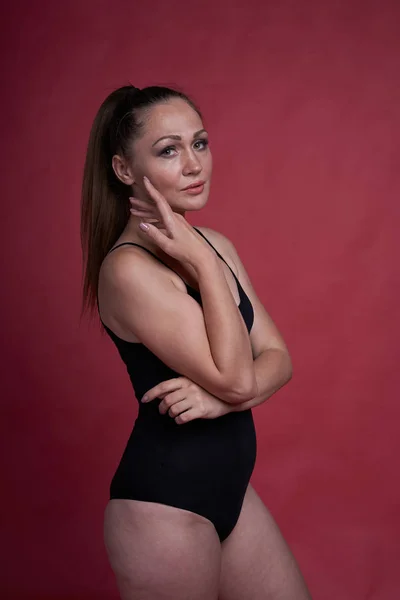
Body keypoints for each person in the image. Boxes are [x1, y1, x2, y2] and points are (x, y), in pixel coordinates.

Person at [80, 84, 311, 600]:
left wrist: (218, 399)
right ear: (123, 170)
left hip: (230, 494)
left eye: (200, 143)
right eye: (168, 150)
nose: (193, 164)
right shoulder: (128, 272)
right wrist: (204, 265)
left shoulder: (217, 243)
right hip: (165, 507)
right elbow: (237, 375)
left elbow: (280, 359)